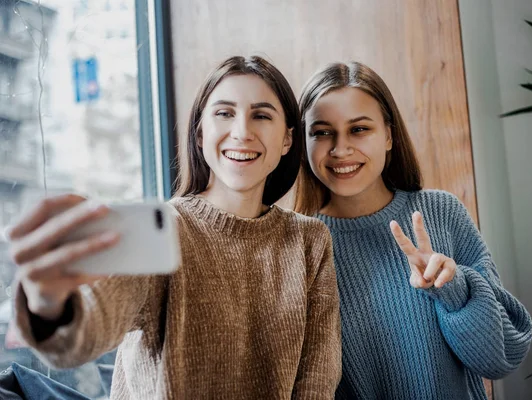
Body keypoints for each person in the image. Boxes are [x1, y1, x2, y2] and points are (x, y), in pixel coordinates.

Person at [7, 56, 342, 399]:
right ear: (200, 135)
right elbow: (86, 333)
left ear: (287, 140)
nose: (242, 132)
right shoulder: (164, 230)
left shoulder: (309, 241)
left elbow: (317, 382)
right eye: (224, 113)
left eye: (261, 115)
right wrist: (49, 305)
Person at [295, 61, 532, 399]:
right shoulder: (298, 246)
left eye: (359, 129)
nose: (340, 149)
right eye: (321, 132)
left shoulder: (442, 213)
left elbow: (502, 358)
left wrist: (454, 289)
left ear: (389, 135)